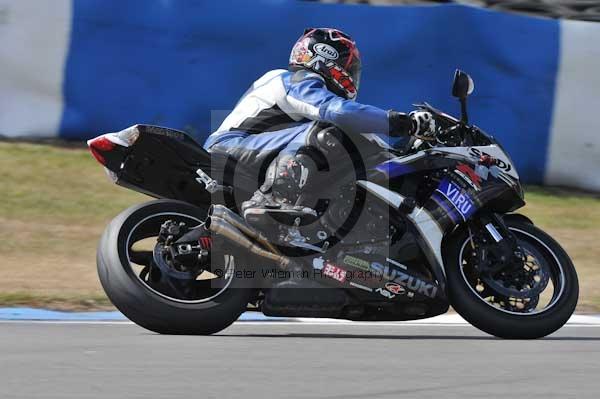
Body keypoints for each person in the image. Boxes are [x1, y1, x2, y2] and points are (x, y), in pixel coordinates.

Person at [203, 27, 436, 219]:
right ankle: (272, 200)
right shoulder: (295, 79)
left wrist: (403, 155)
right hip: (230, 149)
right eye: (349, 68)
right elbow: (337, 112)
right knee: (328, 133)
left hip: (253, 156)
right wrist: (399, 123)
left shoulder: (301, 92)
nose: (351, 75)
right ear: (325, 57)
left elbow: (367, 141)